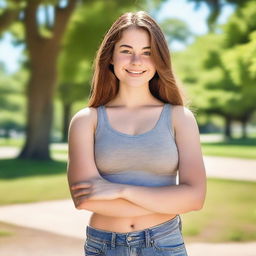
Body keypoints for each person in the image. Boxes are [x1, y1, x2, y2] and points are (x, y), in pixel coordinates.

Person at [67, 10, 206, 256]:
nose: (136, 61)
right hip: (103, 246)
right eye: (126, 51)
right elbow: (86, 199)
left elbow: (194, 198)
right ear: (110, 56)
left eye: (147, 53)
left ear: (159, 59)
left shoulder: (179, 118)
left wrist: (121, 190)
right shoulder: (86, 121)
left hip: (164, 244)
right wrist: (167, 198)